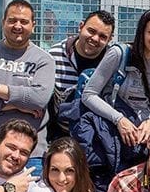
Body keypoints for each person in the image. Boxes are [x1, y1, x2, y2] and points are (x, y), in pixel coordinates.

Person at [0, 0, 54, 175]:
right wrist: (18, 105)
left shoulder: (44, 60)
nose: (17, 26)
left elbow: (39, 99)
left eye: (24, 21)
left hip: (29, 154)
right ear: (3, 22)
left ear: (33, 25)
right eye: (12, 20)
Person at [82, 8, 150, 154]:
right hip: (111, 132)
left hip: (142, 137)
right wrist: (119, 119)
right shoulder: (119, 53)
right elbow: (89, 94)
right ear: (141, 32)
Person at [47, 10, 115, 141]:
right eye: (91, 31)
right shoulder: (54, 55)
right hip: (58, 133)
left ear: (109, 40)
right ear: (81, 26)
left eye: (102, 36)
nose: (95, 38)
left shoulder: (112, 61)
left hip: (97, 136)